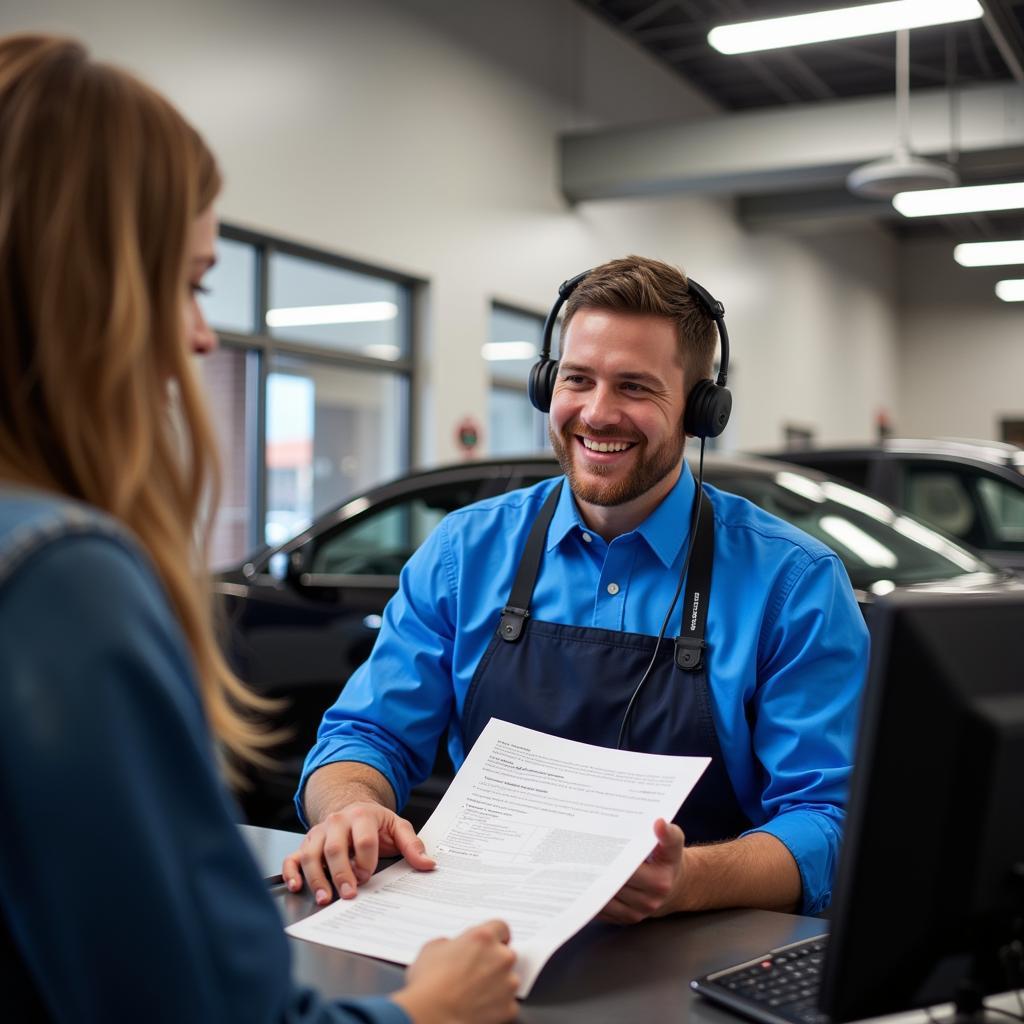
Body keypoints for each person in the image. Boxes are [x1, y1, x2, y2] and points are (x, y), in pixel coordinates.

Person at [0, 34, 518, 1024]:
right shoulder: (62, 579)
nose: (202, 334)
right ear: (82, 285)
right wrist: (432, 1011)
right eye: (191, 283)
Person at [286, 256, 870, 923]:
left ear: (701, 409)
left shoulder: (793, 584)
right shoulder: (464, 553)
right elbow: (364, 735)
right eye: (578, 379)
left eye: (635, 388)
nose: (598, 413)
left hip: (698, 943)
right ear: (546, 384)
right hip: (480, 926)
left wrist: (691, 880)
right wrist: (351, 806)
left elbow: (830, 821)